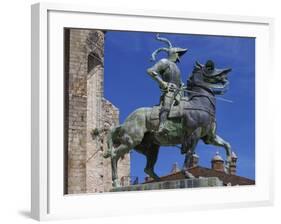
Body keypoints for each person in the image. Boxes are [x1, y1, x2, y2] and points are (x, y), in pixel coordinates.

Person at [147, 34, 188, 134]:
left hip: (179, 92)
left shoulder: (177, 68)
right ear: (174, 53)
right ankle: (162, 126)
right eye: (178, 54)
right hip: (169, 90)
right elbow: (150, 71)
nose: (179, 56)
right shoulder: (164, 62)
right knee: (167, 105)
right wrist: (162, 83)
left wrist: (182, 86)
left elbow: (179, 81)